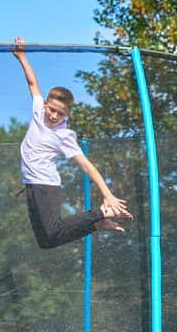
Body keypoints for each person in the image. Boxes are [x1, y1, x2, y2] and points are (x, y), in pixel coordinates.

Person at [12, 37, 132, 249]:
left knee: (54, 229)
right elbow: (33, 83)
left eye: (60, 113)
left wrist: (108, 195)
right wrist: (22, 57)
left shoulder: (64, 135)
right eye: (52, 109)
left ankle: (102, 212)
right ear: (46, 104)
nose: (54, 116)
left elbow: (87, 165)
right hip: (30, 184)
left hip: (45, 185)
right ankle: (96, 225)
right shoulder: (39, 111)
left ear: (66, 114)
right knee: (46, 241)